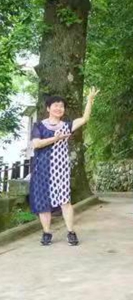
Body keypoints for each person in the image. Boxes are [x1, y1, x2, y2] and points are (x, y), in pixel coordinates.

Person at [30, 87, 100, 246]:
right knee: (43, 203)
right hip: (41, 169)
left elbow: (84, 119)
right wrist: (56, 139)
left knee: (65, 201)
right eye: (55, 105)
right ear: (48, 108)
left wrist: (90, 100)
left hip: (60, 169)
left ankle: (71, 232)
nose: (59, 108)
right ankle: (46, 232)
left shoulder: (66, 125)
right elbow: (37, 144)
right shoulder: (39, 126)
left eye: (61, 106)